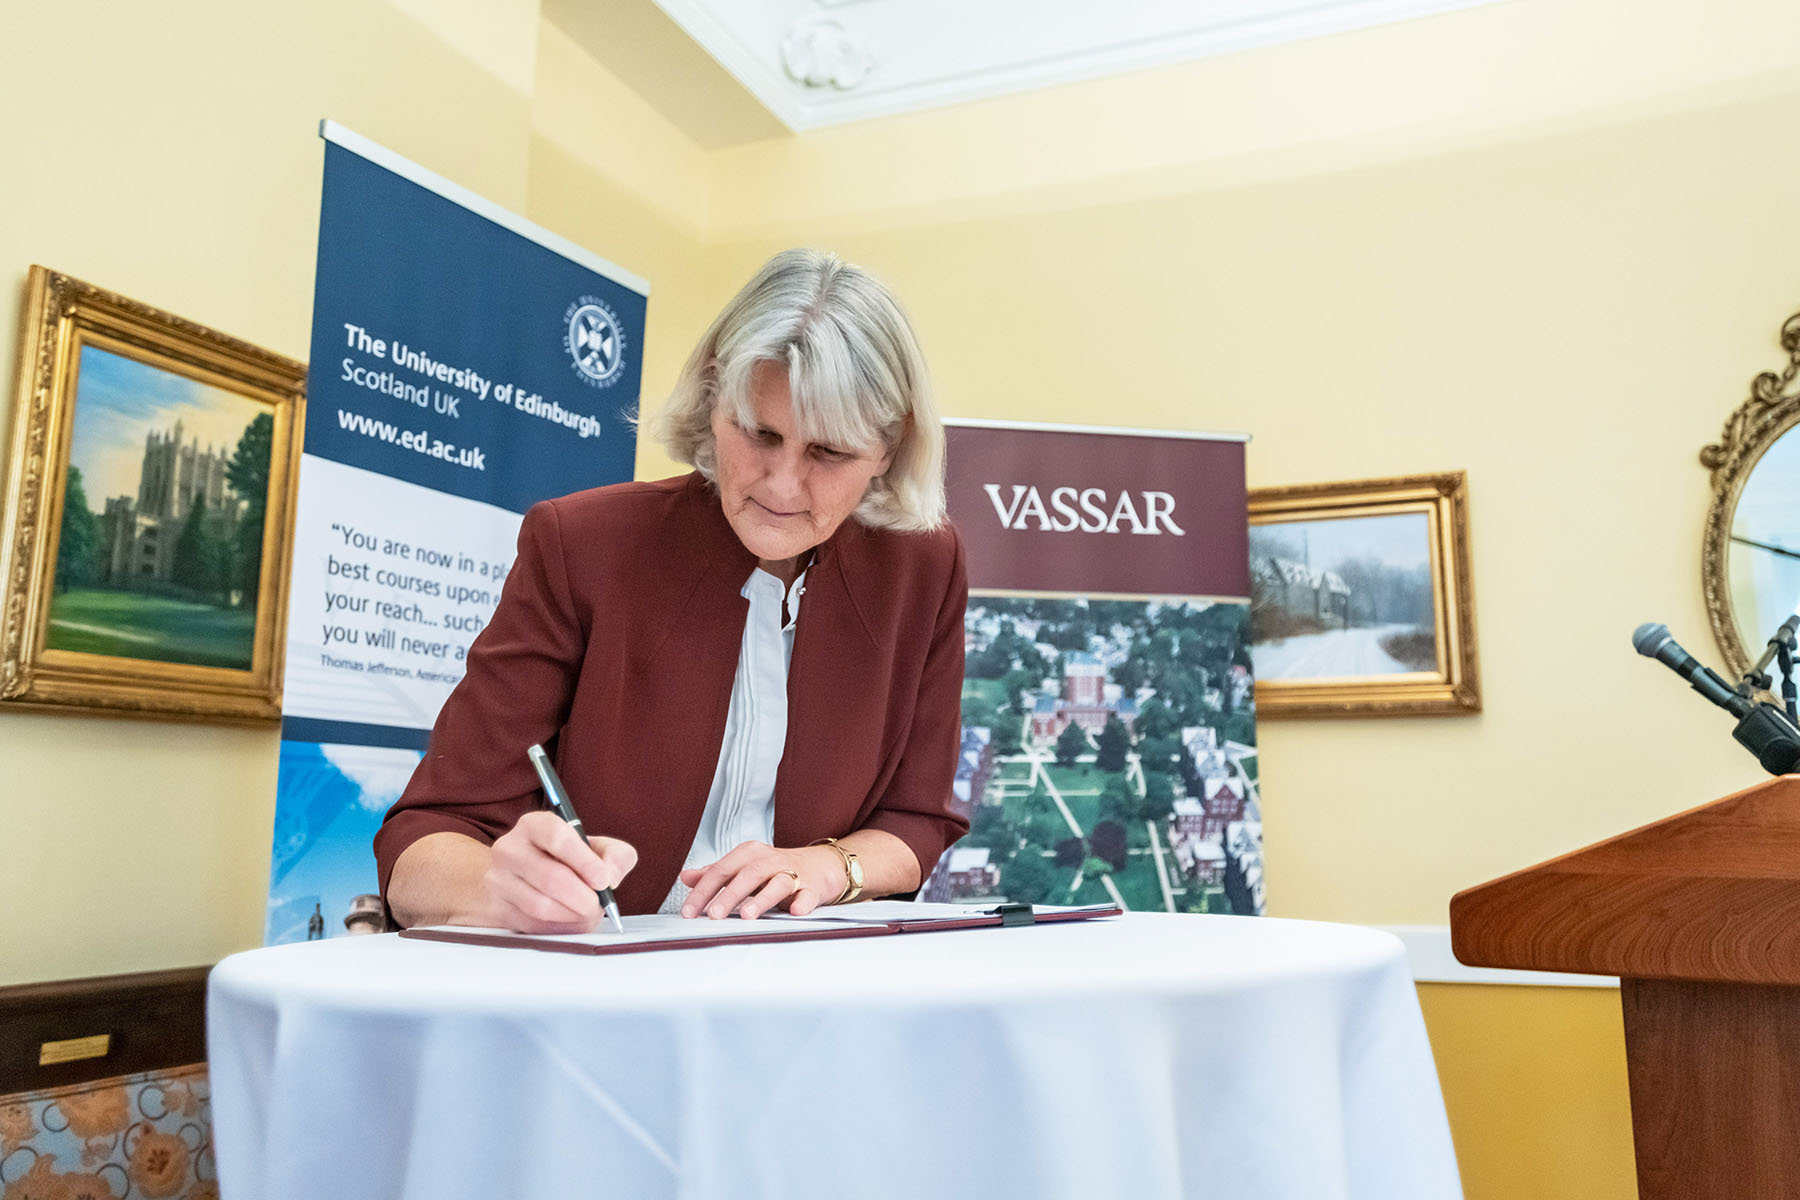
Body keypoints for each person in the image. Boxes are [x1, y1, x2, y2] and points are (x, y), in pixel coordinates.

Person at [375, 248, 968, 933]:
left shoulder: (922, 568)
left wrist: (824, 868)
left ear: (889, 450)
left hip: (811, 990)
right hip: (603, 989)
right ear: (715, 400)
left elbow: (917, 817)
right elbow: (425, 840)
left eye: (829, 453)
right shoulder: (582, 545)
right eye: (759, 433)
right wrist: (499, 888)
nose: (780, 485)